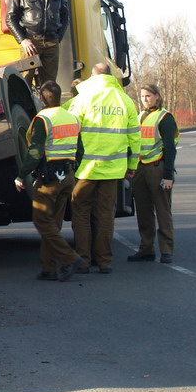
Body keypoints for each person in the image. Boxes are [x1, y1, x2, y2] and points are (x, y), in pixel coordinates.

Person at [67, 63, 140, 274]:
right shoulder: (125, 100)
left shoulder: (82, 99)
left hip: (85, 170)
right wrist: (132, 165)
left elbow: (71, 132)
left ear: (92, 76)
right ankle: (105, 261)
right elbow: (135, 137)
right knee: (105, 215)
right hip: (113, 169)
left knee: (80, 213)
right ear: (110, 76)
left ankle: (83, 260)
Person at [15, 81, 86, 282]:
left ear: (43, 98)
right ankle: (49, 268)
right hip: (68, 176)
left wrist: (22, 175)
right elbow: (80, 149)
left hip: (49, 178)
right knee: (53, 224)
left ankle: (70, 259)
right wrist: (73, 168)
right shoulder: (72, 118)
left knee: (41, 221)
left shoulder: (43, 119)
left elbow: (35, 151)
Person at [127, 83, 179, 264]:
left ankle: (166, 250)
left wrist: (168, 175)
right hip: (140, 167)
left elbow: (170, 148)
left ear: (157, 96)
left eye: (148, 96)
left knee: (162, 210)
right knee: (143, 211)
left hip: (157, 168)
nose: (145, 99)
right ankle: (146, 249)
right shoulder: (140, 116)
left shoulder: (165, 118)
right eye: (142, 96)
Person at [6, 0, 70, 87]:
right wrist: (23, 40)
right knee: (26, 81)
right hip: (31, 41)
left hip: (52, 42)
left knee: (50, 84)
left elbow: (65, 15)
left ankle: (49, 106)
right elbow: (10, 18)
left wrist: (58, 37)